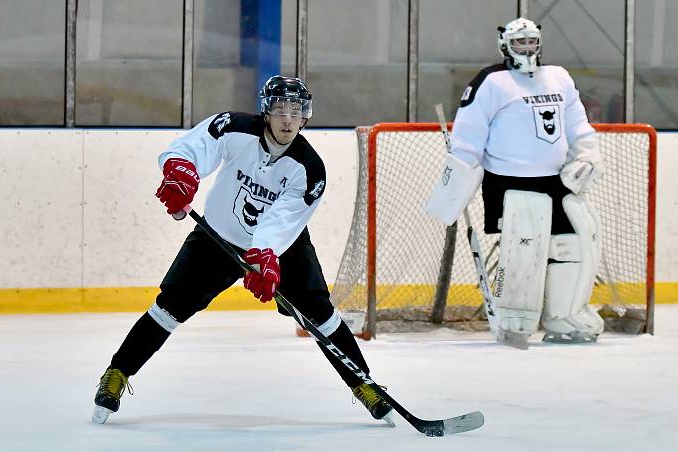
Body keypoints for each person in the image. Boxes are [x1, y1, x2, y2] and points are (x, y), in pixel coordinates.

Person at [92, 76, 394, 426]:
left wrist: (265, 257)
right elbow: (190, 149)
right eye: (280, 109)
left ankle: (364, 385)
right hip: (216, 238)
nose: (287, 120)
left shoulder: (310, 169)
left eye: (295, 112)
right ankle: (117, 374)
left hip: (282, 248)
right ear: (266, 110)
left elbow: (282, 222)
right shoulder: (234, 127)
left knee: (319, 313)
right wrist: (181, 173)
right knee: (168, 308)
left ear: (305, 117)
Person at [429, 18, 605, 348]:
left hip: (557, 182)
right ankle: (515, 319)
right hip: (509, 183)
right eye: (519, 42)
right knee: (524, 251)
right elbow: (468, 138)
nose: (526, 49)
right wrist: (457, 185)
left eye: (531, 41)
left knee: (572, 246)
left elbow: (578, 126)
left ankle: (562, 316)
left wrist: (589, 156)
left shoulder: (558, 77)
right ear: (505, 46)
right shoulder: (491, 81)